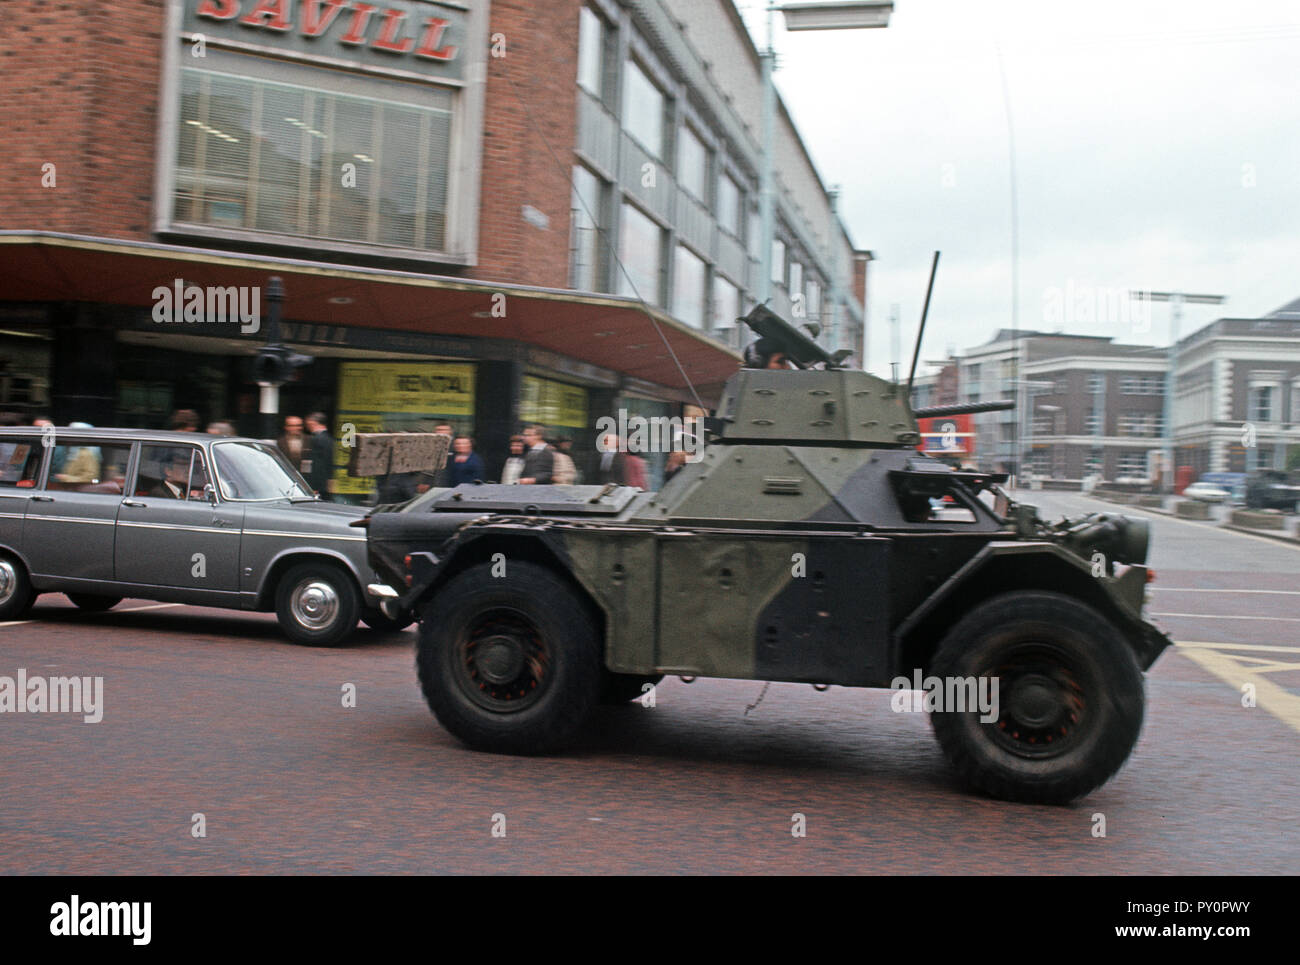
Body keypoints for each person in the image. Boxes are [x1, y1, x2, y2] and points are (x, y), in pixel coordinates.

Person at [301, 412, 334, 500]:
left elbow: (318, 465)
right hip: (325, 483)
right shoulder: (328, 438)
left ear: (313, 423)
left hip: (318, 484)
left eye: (308, 424)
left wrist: (315, 486)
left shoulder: (317, 439)